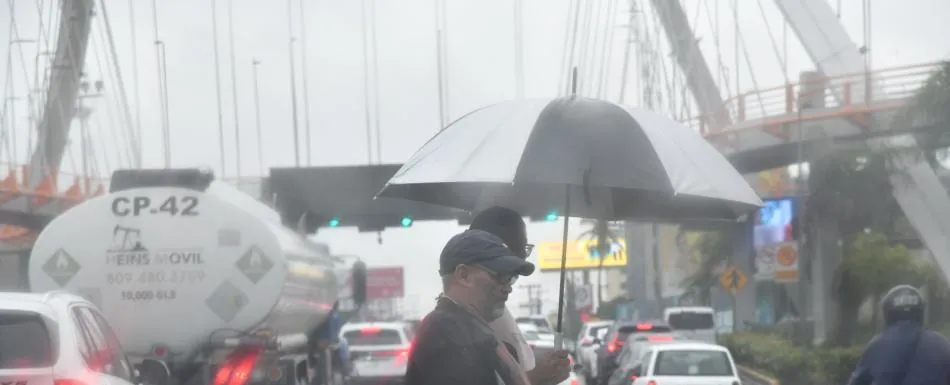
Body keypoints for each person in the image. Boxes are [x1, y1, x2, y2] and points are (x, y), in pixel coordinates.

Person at [405, 229, 536, 385]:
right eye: (500, 276)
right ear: (463, 275)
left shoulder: (467, 329)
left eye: (510, 279)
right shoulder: (446, 334)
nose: (507, 288)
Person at [470, 206, 572, 385]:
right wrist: (534, 379)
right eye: (518, 248)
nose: (523, 258)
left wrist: (544, 377)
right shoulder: (460, 327)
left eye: (525, 249)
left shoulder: (495, 310)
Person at [847, 284, 950, 385]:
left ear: (888, 313)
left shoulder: (877, 345)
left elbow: (857, 381)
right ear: (920, 312)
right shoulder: (940, 343)